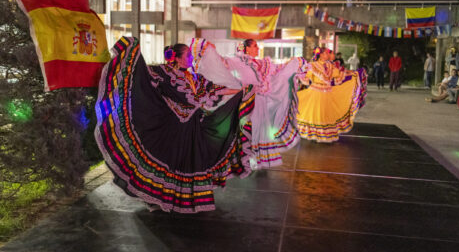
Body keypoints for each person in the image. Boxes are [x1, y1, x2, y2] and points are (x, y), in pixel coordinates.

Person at [95, 37, 254, 213]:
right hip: (171, 128)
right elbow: (144, 79)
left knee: (187, 164)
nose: (191, 60)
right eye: (188, 56)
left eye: (191, 57)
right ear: (177, 58)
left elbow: (217, 89)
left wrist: (243, 90)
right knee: (167, 164)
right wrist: (133, 52)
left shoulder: (195, 77)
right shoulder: (164, 73)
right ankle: (156, 198)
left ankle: (183, 199)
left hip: (192, 128)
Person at [190, 38, 308, 169]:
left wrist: (293, 64)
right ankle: (245, 157)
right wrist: (210, 50)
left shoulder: (260, 63)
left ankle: (256, 157)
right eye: (255, 46)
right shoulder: (236, 61)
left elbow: (278, 70)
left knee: (260, 127)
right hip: (248, 101)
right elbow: (220, 64)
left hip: (260, 101)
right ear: (247, 48)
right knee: (249, 128)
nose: (258, 48)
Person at [297, 48, 363, 143]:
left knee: (326, 113)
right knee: (317, 113)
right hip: (316, 92)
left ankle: (324, 135)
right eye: (325, 53)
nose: (327, 55)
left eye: (327, 53)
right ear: (321, 55)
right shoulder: (313, 65)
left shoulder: (330, 65)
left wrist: (353, 74)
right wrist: (300, 75)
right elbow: (307, 80)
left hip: (327, 92)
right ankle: (316, 135)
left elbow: (338, 75)